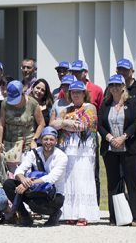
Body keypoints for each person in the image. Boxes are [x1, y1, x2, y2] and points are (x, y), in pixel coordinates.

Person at [99, 74, 136, 226]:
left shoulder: (131, 102)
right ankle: (116, 217)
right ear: (109, 88)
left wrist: (124, 137)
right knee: (113, 184)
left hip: (129, 148)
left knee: (132, 182)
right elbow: (100, 125)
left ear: (123, 86)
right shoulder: (105, 104)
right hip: (110, 150)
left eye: (118, 85)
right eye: (112, 85)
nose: (115, 88)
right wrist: (111, 138)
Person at [51, 79, 98, 225]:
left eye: (79, 92)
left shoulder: (90, 107)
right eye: (73, 92)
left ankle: (83, 214)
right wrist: (67, 123)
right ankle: (70, 213)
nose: (76, 95)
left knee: (83, 179)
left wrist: (64, 123)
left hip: (84, 150)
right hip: (68, 149)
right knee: (69, 179)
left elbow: (83, 125)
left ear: (84, 94)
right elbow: (53, 124)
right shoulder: (66, 109)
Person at [3, 126, 67, 227]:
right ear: (41, 140)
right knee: (8, 184)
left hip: (55, 194)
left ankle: (55, 214)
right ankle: (25, 216)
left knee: (35, 206)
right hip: (36, 190)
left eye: (51, 139)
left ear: (56, 141)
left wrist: (28, 184)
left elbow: (52, 178)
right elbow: (19, 170)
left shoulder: (62, 157)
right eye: (45, 139)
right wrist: (24, 181)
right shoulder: (34, 153)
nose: (48, 142)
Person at [0, 81, 45, 172]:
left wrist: (34, 139)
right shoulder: (5, 103)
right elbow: (1, 124)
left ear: (23, 93)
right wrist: (0, 142)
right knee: (11, 176)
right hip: (10, 145)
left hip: (26, 145)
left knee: (25, 174)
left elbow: (41, 123)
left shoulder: (32, 103)